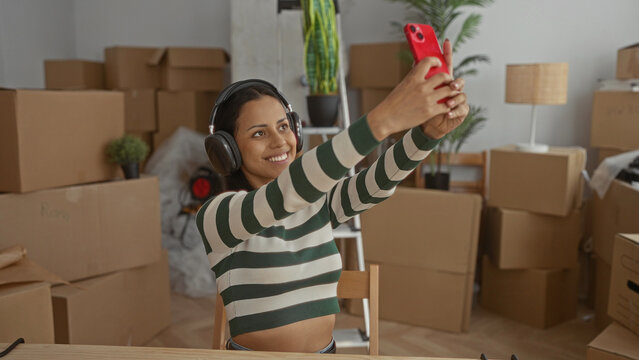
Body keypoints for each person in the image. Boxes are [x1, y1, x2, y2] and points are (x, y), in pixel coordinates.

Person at [196, 40, 469, 353]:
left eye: (284, 126)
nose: (280, 141)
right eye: (259, 133)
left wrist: (427, 134)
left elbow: (375, 183)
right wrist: (384, 119)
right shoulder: (218, 216)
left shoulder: (316, 203)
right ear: (226, 150)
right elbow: (286, 193)